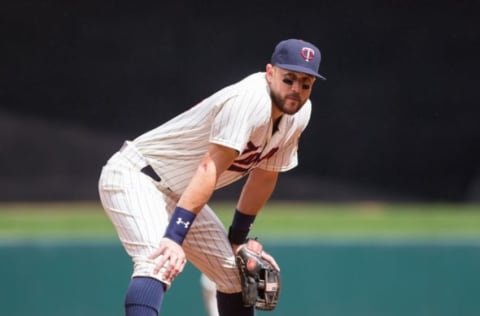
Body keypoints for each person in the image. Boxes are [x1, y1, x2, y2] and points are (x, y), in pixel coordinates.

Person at [98, 38, 326, 316]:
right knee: (158, 262)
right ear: (270, 72)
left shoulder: (300, 114)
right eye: (288, 79)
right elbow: (209, 169)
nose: (296, 89)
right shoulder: (248, 100)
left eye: (305, 83)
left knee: (234, 277)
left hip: (181, 193)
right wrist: (173, 237)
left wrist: (238, 238)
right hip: (137, 176)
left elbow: (265, 175)